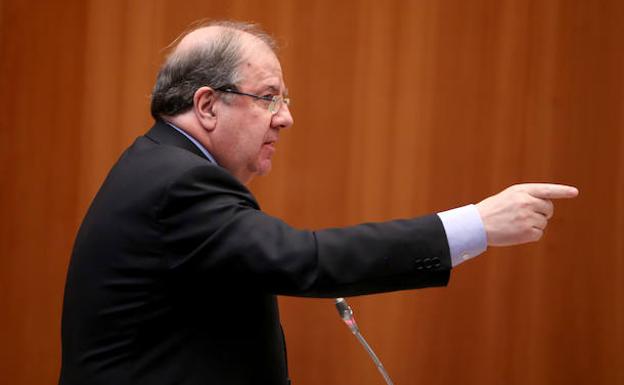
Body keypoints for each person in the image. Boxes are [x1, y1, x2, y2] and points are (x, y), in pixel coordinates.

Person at [58, 20, 578, 385]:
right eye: (269, 97)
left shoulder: (163, 166)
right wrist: (476, 225)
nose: (285, 118)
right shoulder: (179, 183)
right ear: (208, 105)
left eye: (284, 99)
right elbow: (303, 261)